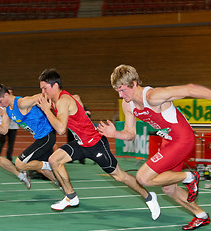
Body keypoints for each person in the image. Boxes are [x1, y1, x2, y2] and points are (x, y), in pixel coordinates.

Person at [97, 64, 211, 230]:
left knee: (143, 178)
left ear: (134, 83)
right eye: (118, 91)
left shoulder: (152, 96)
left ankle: (189, 177)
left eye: (123, 90)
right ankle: (202, 216)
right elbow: (130, 133)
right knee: (169, 188)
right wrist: (115, 134)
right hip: (169, 142)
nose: (121, 95)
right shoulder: (127, 105)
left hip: (182, 139)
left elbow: (190, 89)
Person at [37, 68, 160, 221]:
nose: (43, 92)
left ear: (55, 86)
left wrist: (47, 111)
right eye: (41, 88)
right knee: (54, 160)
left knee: (119, 176)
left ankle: (149, 197)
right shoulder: (58, 100)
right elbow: (75, 98)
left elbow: (61, 129)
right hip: (81, 144)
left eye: (44, 88)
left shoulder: (62, 101)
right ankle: (71, 196)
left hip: (96, 144)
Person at [0, 83, 58, 187]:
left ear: (6, 95)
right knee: (41, 169)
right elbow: (4, 130)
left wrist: (52, 97)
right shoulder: (7, 110)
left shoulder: (21, 103)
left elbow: (37, 97)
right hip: (40, 138)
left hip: (47, 135)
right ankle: (61, 185)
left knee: (20, 164)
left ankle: (49, 165)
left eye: (0, 101)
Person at [0, 88, 19, 163]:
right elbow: (2, 113)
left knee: (11, 144)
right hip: (4, 126)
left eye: (11, 92)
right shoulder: (2, 102)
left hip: (13, 127)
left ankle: (9, 158)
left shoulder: (16, 103)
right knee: (0, 142)